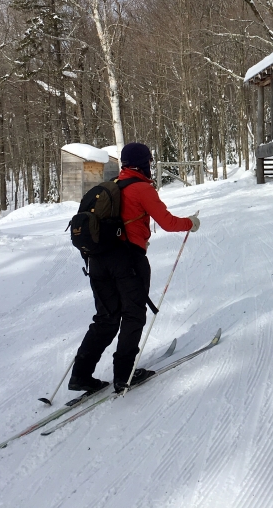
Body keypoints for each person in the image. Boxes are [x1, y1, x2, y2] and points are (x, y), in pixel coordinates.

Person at [69, 143, 200, 394]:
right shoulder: (141, 188)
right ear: (144, 163)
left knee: (106, 318)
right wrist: (191, 223)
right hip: (127, 260)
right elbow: (168, 222)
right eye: (149, 160)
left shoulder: (110, 187)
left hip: (96, 261)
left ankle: (81, 375)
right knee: (133, 314)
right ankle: (124, 374)